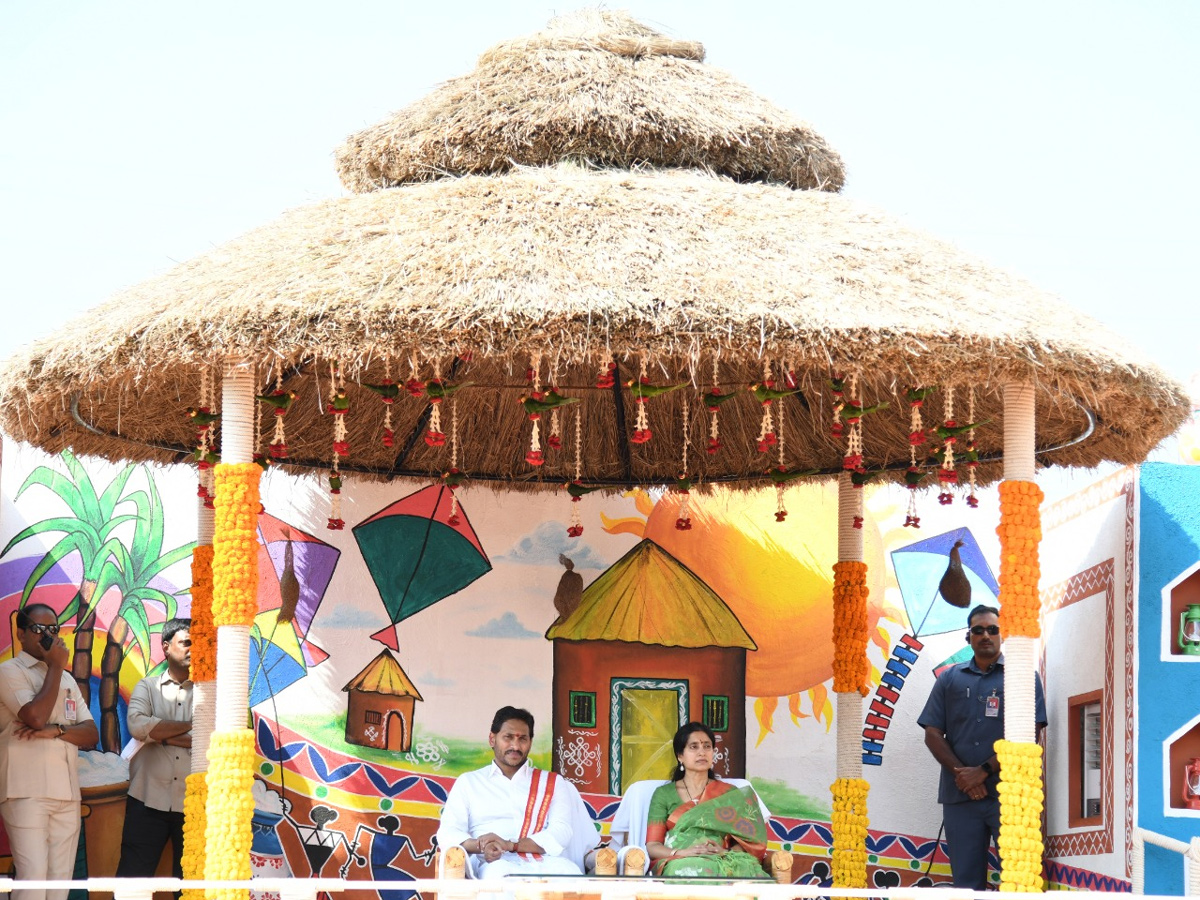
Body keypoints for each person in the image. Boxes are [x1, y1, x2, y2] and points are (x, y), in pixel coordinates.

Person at [917, 604, 1047, 890]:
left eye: (993, 629)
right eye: (978, 630)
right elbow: (932, 733)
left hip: (1009, 796)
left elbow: (1029, 734)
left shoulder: (1022, 677)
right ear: (969, 638)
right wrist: (963, 776)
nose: (986, 635)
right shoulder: (949, 679)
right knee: (966, 885)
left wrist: (984, 770)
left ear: (1003, 635)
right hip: (960, 798)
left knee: (1019, 879)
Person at [0, 603, 99, 900]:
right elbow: (35, 717)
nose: (48, 636)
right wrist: (56, 665)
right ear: (21, 634)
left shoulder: (67, 680)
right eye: (39, 629)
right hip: (25, 793)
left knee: (59, 886)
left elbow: (91, 734)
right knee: (33, 883)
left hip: (67, 795)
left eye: (53, 630)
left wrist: (57, 731)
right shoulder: (8, 671)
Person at [436, 706, 583, 877]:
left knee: (571, 874)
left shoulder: (552, 782)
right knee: (501, 877)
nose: (515, 745)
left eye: (523, 739)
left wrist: (510, 845)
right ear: (492, 739)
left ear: (530, 742)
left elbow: (561, 831)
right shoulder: (469, 782)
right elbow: (448, 832)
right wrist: (482, 845)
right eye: (508, 737)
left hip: (544, 862)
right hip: (493, 865)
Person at [116, 618, 193, 880]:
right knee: (132, 883)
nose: (194, 649)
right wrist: (193, 726)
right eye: (186, 643)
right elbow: (137, 727)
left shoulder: (211, 692)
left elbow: (211, 738)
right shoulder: (147, 687)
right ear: (166, 647)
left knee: (191, 886)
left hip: (194, 805)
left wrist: (160, 735)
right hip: (146, 799)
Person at [645, 722, 770, 878]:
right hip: (680, 860)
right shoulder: (663, 794)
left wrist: (725, 852)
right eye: (694, 747)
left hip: (722, 858)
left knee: (749, 874)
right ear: (680, 756)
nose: (702, 752)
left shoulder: (729, 793)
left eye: (707, 746)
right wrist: (683, 852)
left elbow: (750, 841)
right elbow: (652, 846)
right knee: (692, 868)